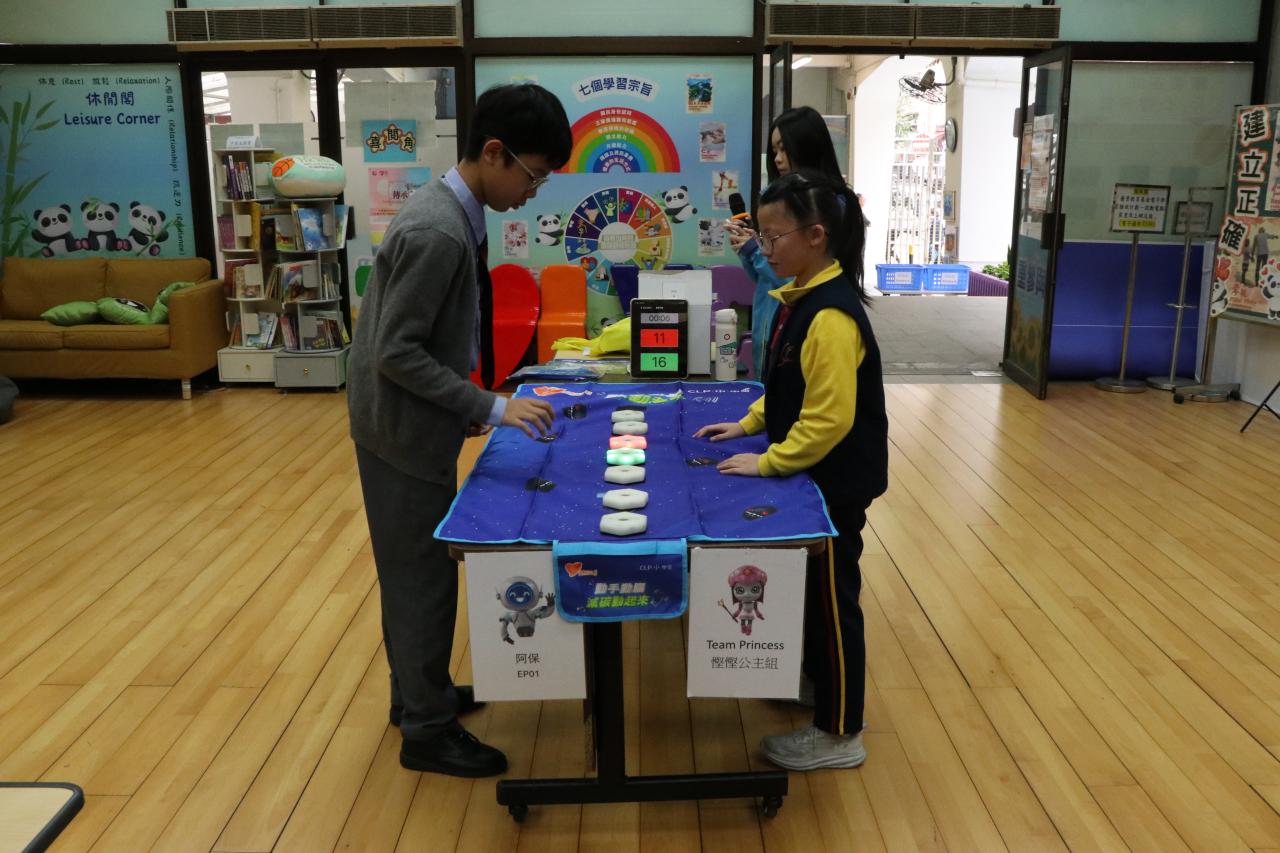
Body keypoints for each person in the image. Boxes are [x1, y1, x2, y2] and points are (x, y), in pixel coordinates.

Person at [347, 83, 571, 778]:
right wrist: (491, 405)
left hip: (412, 420)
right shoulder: (438, 230)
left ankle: (420, 694)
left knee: (413, 571)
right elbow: (395, 351)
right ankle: (426, 729)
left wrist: (462, 405)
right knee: (421, 579)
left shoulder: (456, 215)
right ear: (494, 152)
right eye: (534, 175)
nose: (533, 192)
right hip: (400, 432)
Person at [694, 171, 887, 771]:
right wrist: (748, 423)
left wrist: (769, 461)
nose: (764, 249)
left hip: (835, 484)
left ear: (816, 236)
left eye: (773, 238)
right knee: (812, 597)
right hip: (814, 478)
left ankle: (840, 732)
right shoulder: (799, 297)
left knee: (833, 602)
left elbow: (827, 419)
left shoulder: (831, 316)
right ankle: (815, 682)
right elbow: (786, 384)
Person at [724, 106, 845, 380]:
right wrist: (748, 249)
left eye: (784, 148)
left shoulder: (831, 205)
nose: (778, 159)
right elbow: (766, 278)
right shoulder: (777, 197)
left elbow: (796, 280)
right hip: (770, 328)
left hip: (801, 330)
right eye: (774, 150)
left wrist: (756, 250)